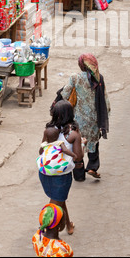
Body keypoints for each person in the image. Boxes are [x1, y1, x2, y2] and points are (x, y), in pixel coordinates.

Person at [38, 100, 84, 235]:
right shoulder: (73, 134)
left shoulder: (49, 131)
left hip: (45, 172)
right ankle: (47, 233)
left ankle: (68, 224)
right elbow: (79, 157)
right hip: (61, 176)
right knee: (53, 208)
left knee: (59, 198)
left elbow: (41, 151)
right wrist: (82, 143)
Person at [62, 54, 110, 181]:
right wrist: (106, 114)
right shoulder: (99, 79)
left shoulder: (75, 78)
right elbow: (105, 98)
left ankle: (79, 175)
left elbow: (65, 94)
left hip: (78, 118)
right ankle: (92, 167)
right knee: (93, 143)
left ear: (81, 65)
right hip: (95, 118)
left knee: (78, 144)